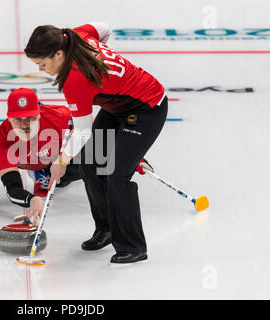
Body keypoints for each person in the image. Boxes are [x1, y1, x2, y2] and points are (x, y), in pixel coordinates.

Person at [24, 22, 167, 263]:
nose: (43, 70)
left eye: (43, 64)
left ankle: (133, 246)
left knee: (117, 175)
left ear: (59, 54)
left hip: (147, 109)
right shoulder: (75, 35)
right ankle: (107, 228)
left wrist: (61, 162)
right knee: (91, 163)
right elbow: (104, 28)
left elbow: (81, 131)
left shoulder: (75, 78)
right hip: (117, 106)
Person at [0, 88, 81, 225]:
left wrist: (63, 160)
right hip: (31, 160)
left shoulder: (60, 116)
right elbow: (12, 188)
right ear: (9, 119)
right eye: (17, 119)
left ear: (39, 114)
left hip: (58, 156)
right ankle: (40, 172)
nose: (24, 125)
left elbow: (91, 128)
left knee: (95, 161)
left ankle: (46, 172)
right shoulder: (3, 138)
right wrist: (31, 199)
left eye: (30, 118)